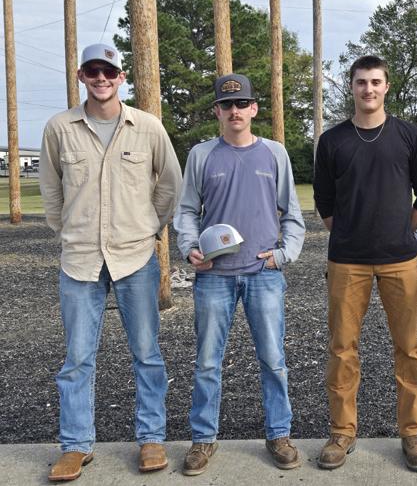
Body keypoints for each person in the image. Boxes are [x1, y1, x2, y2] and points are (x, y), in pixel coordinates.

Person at [39, 43, 182, 482]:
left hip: (135, 258)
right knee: (77, 359)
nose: (101, 78)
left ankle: (151, 439)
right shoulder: (59, 128)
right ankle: (76, 446)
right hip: (79, 262)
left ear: (122, 77)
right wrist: (68, 231)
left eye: (109, 71)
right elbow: (51, 190)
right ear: (81, 76)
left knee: (147, 354)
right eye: (93, 71)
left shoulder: (147, 127)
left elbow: (170, 185)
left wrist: (149, 226)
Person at [174, 73, 305, 475]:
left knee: (273, 359)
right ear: (217, 110)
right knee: (207, 362)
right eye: (226, 104)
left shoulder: (274, 153)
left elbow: (292, 213)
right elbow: (186, 211)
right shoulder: (201, 155)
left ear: (254, 109)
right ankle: (203, 439)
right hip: (215, 275)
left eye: (242, 104)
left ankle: (279, 434)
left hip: (263, 273)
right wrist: (190, 248)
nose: (235, 111)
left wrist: (283, 255)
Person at [313, 55, 417, 471]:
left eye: (375, 82)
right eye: (361, 82)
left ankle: (413, 433)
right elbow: (324, 200)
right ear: (351, 87)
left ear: (387, 86)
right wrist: (349, 233)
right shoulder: (333, 141)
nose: (368, 89)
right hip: (347, 262)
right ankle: (342, 432)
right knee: (342, 348)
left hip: (400, 261)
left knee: (409, 348)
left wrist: (401, 230)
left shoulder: (408, 135)